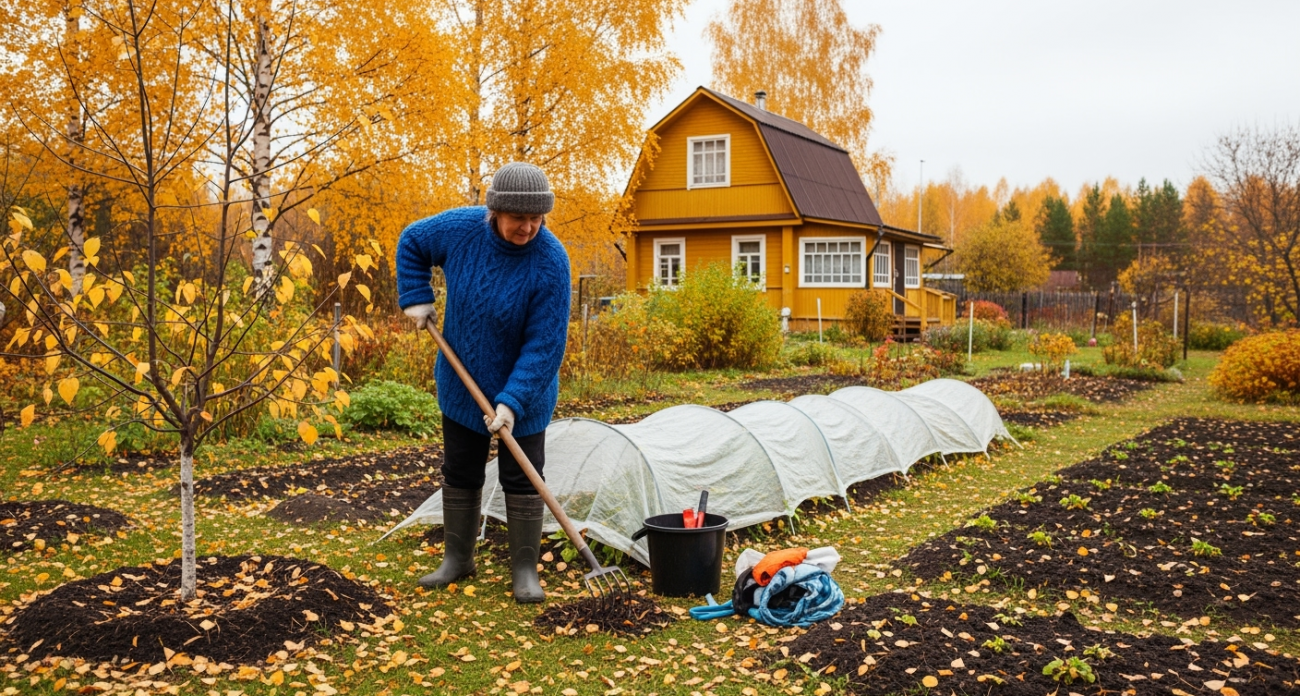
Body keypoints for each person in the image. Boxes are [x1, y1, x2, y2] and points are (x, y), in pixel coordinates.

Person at [394, 162, 570, 603]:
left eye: (536, 218)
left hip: (525, 392)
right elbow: (411, 241)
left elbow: (545, 346)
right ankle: (458, 559)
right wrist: (416, 296)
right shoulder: (459, 230)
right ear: (495, 212)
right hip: (462, 382)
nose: (528, 227)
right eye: (517, 218)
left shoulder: (552, 262)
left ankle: (525, 570)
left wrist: (512, 402)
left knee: (523, 478)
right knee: (461, 470)